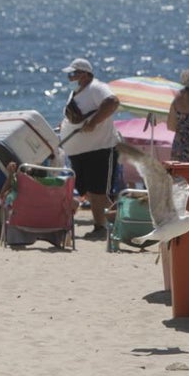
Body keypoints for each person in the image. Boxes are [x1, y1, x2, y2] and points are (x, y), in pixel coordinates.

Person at [58, 57, 121, 240]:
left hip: (99, 147)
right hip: (79, 151)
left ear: (85, 74)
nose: (70, 77)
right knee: (90, 191)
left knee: (98, 191)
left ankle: (103, 226)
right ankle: (113, 222)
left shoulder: (96, 87)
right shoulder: (77, 92)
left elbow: (112, 102)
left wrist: (93, 123)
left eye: (73, 73)